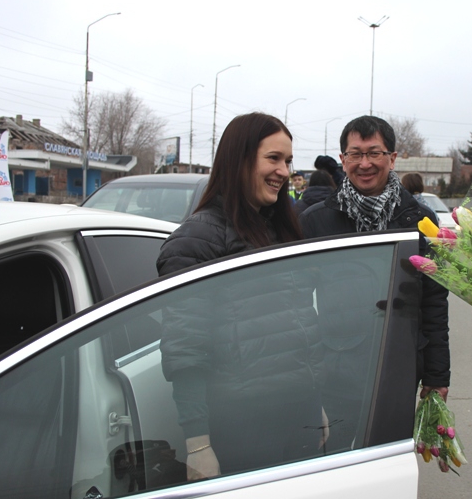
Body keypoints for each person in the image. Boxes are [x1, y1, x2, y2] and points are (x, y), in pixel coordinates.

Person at [156, 112, 327, 480]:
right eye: (273, 158)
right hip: (243, 429)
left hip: (299, 418)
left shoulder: (281, 232)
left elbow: (300, 326)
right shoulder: (198, 240)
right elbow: (185, 351)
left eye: (288, 161)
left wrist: (316, 407)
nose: (284, 171)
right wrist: (197, 445)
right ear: (240, 159)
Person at [299, 115, 450, 399]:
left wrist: (437, 374)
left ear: (391, 159)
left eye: (374, 153)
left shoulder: (419, 220)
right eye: (355, 154)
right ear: (343, 160)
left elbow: (434, 301)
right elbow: (298, 304)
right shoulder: (316, 222)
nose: (364, 163)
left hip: (399, 364)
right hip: (333, 370)